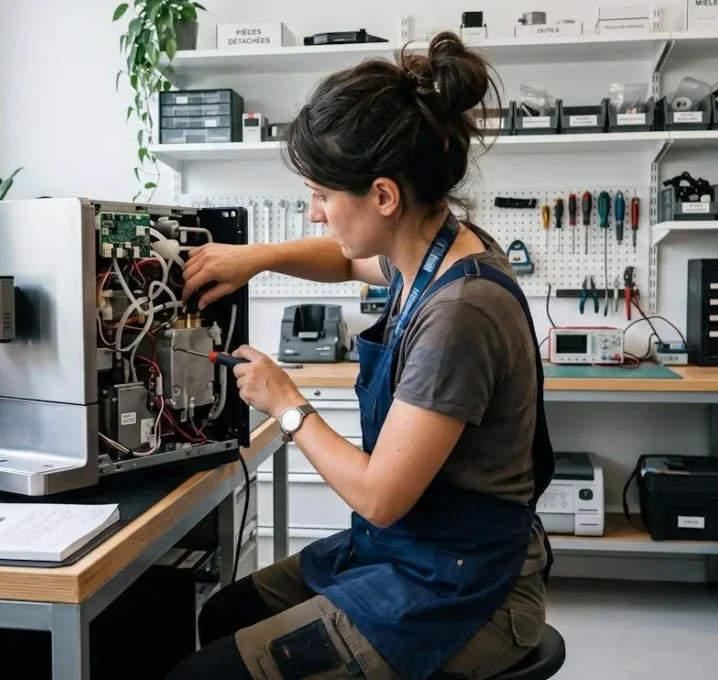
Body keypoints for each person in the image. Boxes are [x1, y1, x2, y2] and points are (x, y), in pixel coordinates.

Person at [168, 31, 555, 680]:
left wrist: (288, 405)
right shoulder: (430, 250)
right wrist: (254, 259)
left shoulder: (459, 313)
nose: (313, 213)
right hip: (408, 552)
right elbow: (348, 261)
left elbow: (379, 497)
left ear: (382, 196)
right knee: (226, 612)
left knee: (197, 676)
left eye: (321, 195)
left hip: (464, 587)